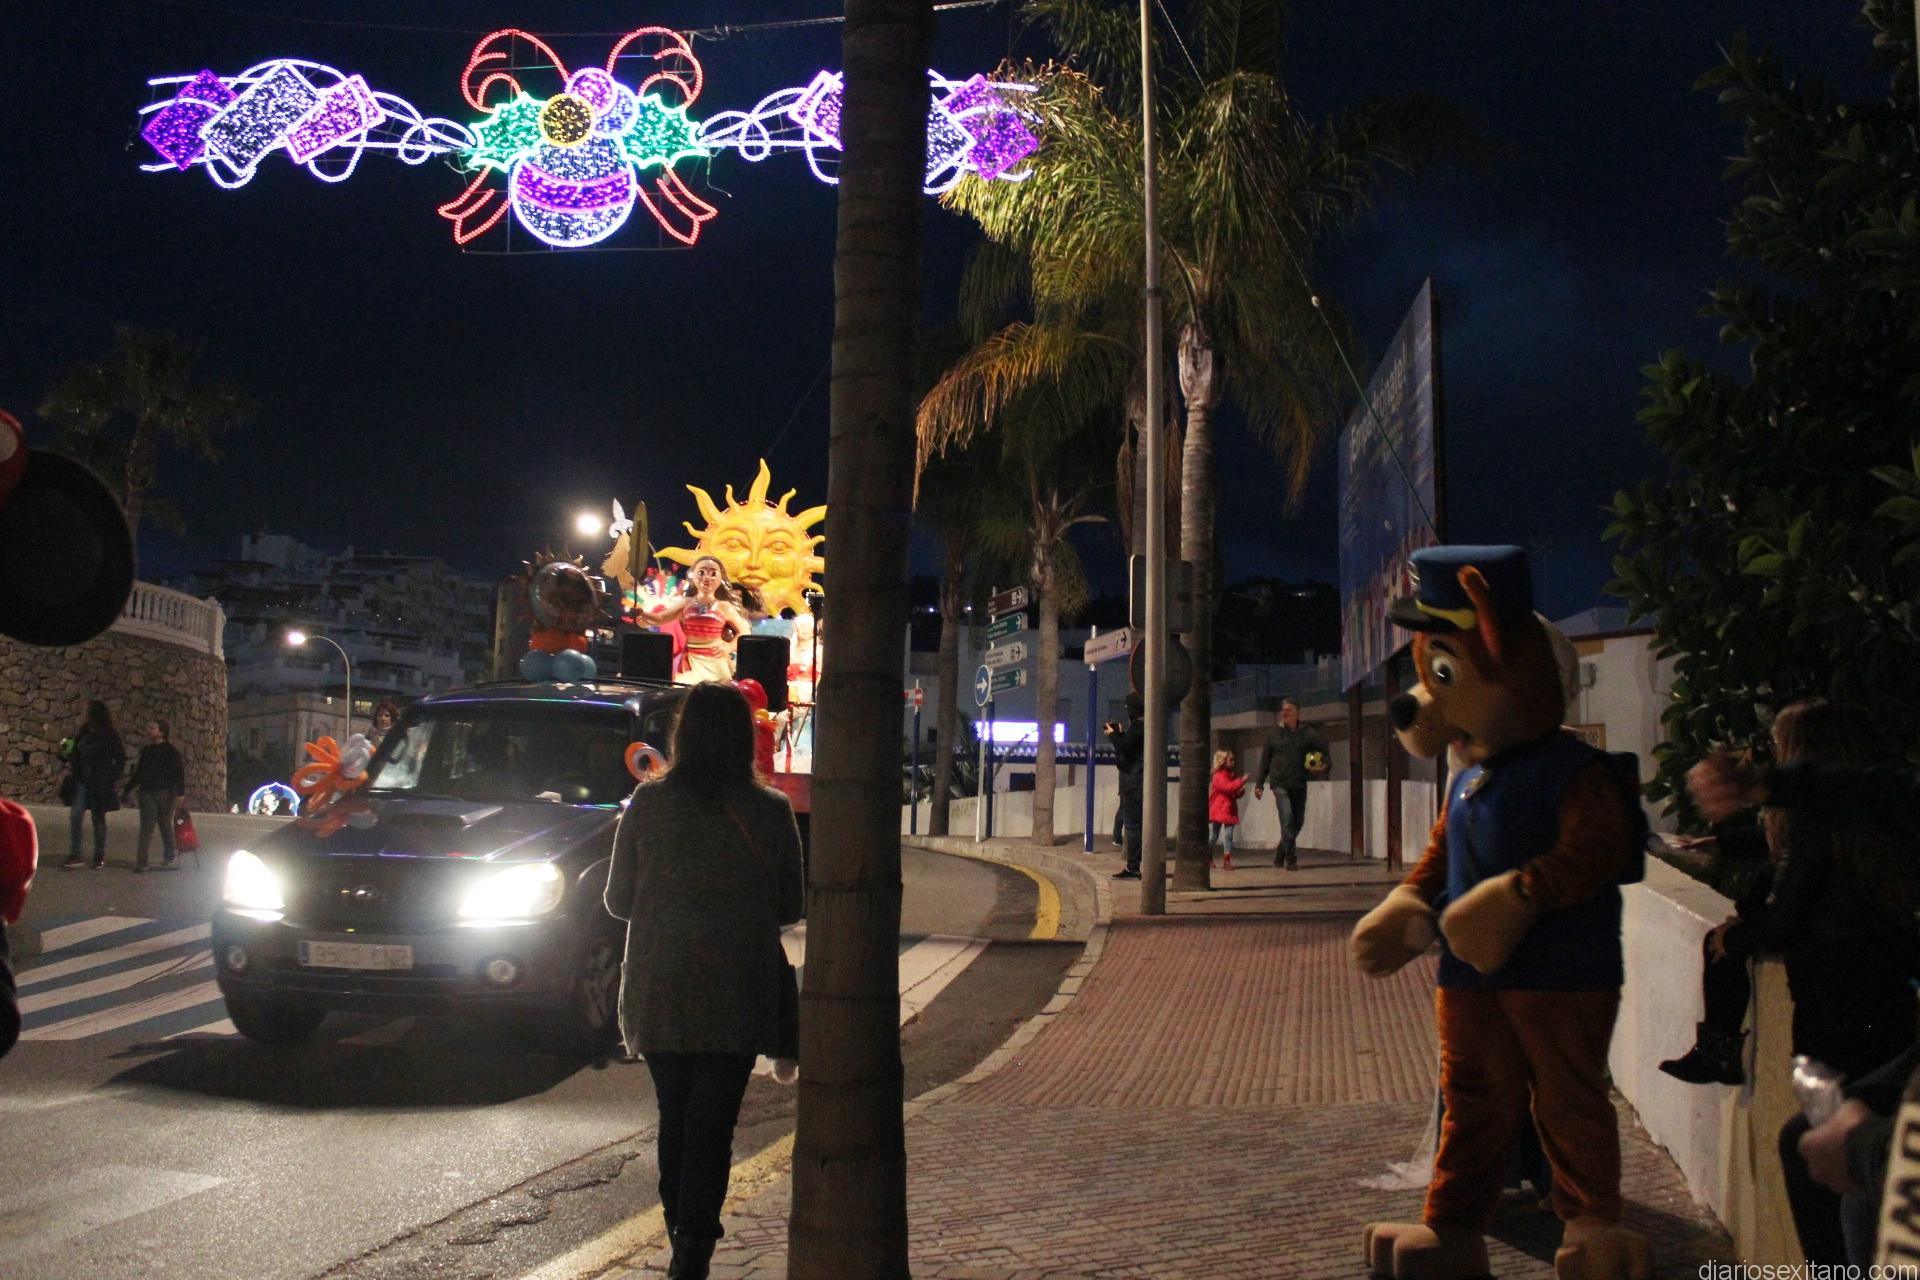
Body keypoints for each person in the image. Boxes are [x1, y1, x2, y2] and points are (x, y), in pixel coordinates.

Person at [1685, 707, 1920, 1266]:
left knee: (1829, 1164)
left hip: (1831, 1005)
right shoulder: (1875, 831)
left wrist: (1738, 939)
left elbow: (1786, 912)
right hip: (1886, 1000)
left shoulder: (1818, 825)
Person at [604, 681, 803, 1280]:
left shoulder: (648, 804)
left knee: (676, 1119)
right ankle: (694, 1248)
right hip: (737, 987)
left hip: (661, 985)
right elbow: (790, 905)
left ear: (681, 735)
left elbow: (617, 901)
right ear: (745, 739)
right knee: (713, 1128)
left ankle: (682, 1239)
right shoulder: (771, 811)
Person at [1252, 699, 1329, 869]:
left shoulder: (1308, 733)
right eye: (1283, 710)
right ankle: (1291, 858)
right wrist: (1259, 784)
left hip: (1299, 783)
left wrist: (1324, 765)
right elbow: (1265, 760)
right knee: (1287, 819)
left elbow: (1324, 750)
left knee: (1297, 823)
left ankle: (1281, 852)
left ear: (1297, 712)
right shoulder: (1274, 733)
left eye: (1288, 709)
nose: (1284, 713)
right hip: (1279, 784)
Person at [59, 700, 125, 869]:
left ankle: (99, 855)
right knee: (76, 815)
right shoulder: (84, 731)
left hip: (100, 782)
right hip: (82, 780)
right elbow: (76, 753)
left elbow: (120, 758)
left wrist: (111, 776)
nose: (83, 714)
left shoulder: (109, 734)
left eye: (86, 711)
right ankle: (75, 854)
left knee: (98, 818)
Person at [122, 718, 186, 873]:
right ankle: (142, 862)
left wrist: (180, 793)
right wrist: (128, 788)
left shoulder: (170, 751)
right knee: (147, 826)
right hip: (147, 792)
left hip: (165, 792)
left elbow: (178, 773)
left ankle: (169, 855)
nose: (149, 731)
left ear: (161, 732)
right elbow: (139, 773)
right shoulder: (147, 751)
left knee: (164, 825)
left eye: (152, 728)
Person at [1106, 693, 1145, 880]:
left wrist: (1113, 735)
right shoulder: (1141, 728)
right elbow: (1128, 746)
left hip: (1134, 784)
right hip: (1135, 783)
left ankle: (1133, 867)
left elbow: (1123, 747)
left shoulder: (1139, 727)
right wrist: (1120, 734)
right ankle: (1133, 866)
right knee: (1134, 826)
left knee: (1133, 826)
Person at [1208, 749, 1246, 870]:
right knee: (1213, 836)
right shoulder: (1218, 776)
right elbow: (1227, 787)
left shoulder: (1231, 776)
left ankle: (1227, 860)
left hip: (1229, 809)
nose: (1233, 762)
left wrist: (1239, 792)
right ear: (1223, 761)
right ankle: (1207, 856)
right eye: (1231, 760)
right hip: (1218, 809)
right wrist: (1241, 781)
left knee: (1229, 835)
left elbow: (1232, 792)